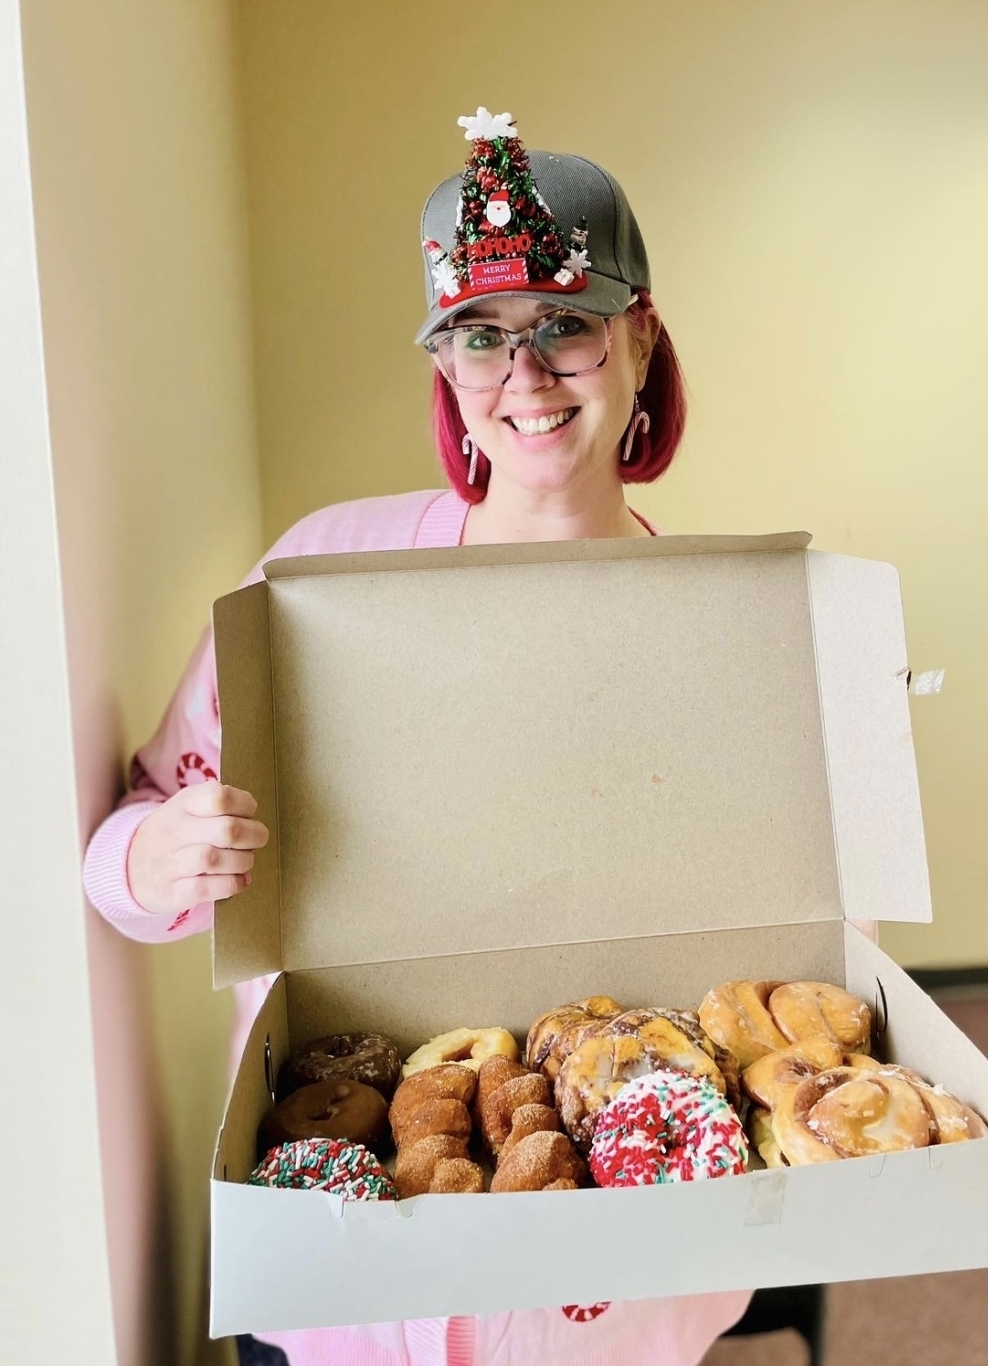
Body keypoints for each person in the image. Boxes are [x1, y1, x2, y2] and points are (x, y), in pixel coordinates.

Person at [84, 108, 753, 1366]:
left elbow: (792, 947)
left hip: (603, 1297)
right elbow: (134, 865)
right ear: (443, 368)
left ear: (640, 334)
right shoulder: (318, 579)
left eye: (567, 323)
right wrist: (156, 854)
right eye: (479, 339)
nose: (526, 374)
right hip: (340, 1273)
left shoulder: (727, 629)